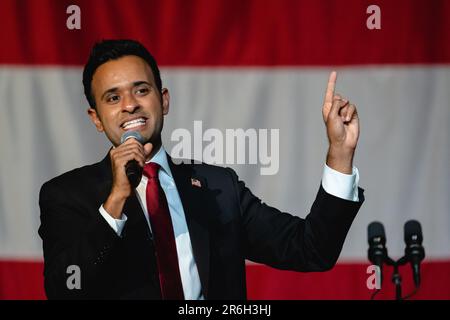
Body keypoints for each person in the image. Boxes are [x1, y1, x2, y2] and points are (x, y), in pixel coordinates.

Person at [38, 39, 364, 300]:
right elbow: (67, 289)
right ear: (95, 118)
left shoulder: (219, 188)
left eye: (141, 90)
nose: (130, 104)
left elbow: (311, 249)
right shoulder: (66, 195)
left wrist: (339, 153)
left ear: (163, 100)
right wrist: (116, 199)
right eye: (112, 97)